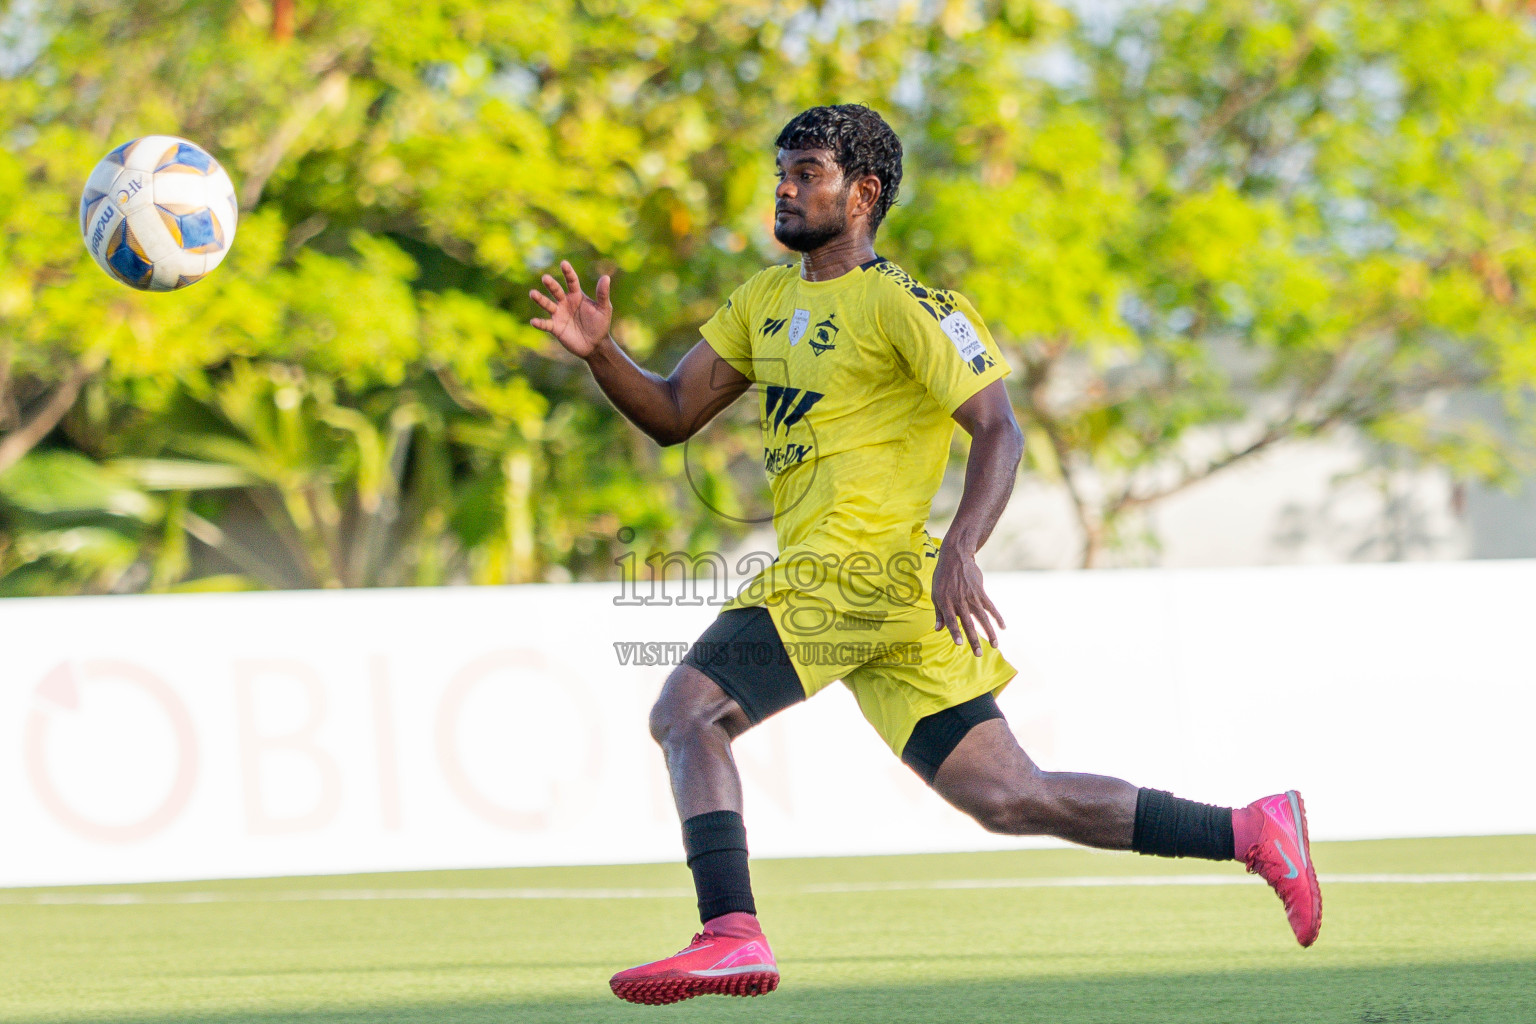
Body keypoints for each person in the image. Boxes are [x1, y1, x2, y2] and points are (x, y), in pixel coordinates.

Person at [530, 104, 1321, 1007]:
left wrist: (964, 550)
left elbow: (999, 430)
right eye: (781, 172)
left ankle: (729, 932)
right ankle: (1252, 830)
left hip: (853, 571)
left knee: (688, 714)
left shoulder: (908, 306)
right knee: (1011, 797)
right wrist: (601, 354)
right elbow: (672, 413)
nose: (785, 189)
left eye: (809, 174)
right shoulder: (761, 300)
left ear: (863, 193)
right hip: (887, 598)